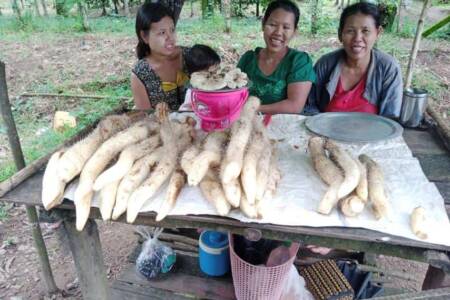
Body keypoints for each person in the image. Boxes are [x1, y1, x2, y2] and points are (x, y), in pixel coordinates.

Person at [307, 2, 403, 118]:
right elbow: (310, 106)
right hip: (324, 133)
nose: (357, 38)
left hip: (371, 135)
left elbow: (390, 119)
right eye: (350, 31)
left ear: (378, 33)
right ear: (340, 34)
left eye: (365, 31)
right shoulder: (325, 64)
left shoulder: (388, 68)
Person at [237, 0, 316, 114]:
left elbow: (294, 106)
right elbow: (233, 93)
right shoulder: (248, 59)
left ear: (294, 31)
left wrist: (252, 109)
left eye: (286, 27)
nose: (278, 32)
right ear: (263, 24)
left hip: (282, 127)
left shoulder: (299, 62)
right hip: (244, 123)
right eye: (272, 25)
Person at [131, 3, 190, 111]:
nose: (170, 37)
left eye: (172, 30)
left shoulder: (189, 56)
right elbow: (145, 118)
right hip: (162, 127)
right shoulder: (140, 74)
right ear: (144, 37)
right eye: (162, 32)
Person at [179, 44, 221, 111]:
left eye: (216, 70)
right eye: (208, 74)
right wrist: (191, 107)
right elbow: (184, 109)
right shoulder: (193, 92)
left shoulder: (219, 85)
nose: (213, 76)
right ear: (194, 75)